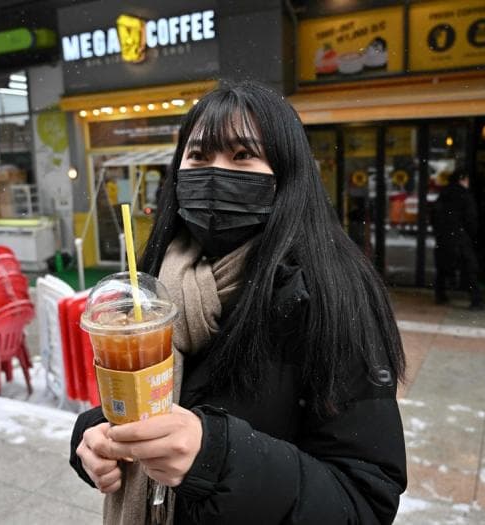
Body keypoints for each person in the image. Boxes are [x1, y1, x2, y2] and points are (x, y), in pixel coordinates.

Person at [69, 81, 407, 524]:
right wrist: (94, 436)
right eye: (199, 157)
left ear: (287, 174)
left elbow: (365, 499)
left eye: (243, 155)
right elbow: (147, 404)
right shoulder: (156, 278)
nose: (215, 173)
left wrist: (217, 458)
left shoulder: (330, 294)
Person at [432, 169, 484, 309]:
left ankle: (440, 294)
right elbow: (471, 219)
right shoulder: (465, 195)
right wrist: (470, 234)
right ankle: (476, 300)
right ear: (462, 179)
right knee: (469, 268)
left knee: (443, 267)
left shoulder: (444, 194)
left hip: (444, 237)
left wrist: (440, 231)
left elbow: (434, 215)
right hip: (460, 237)